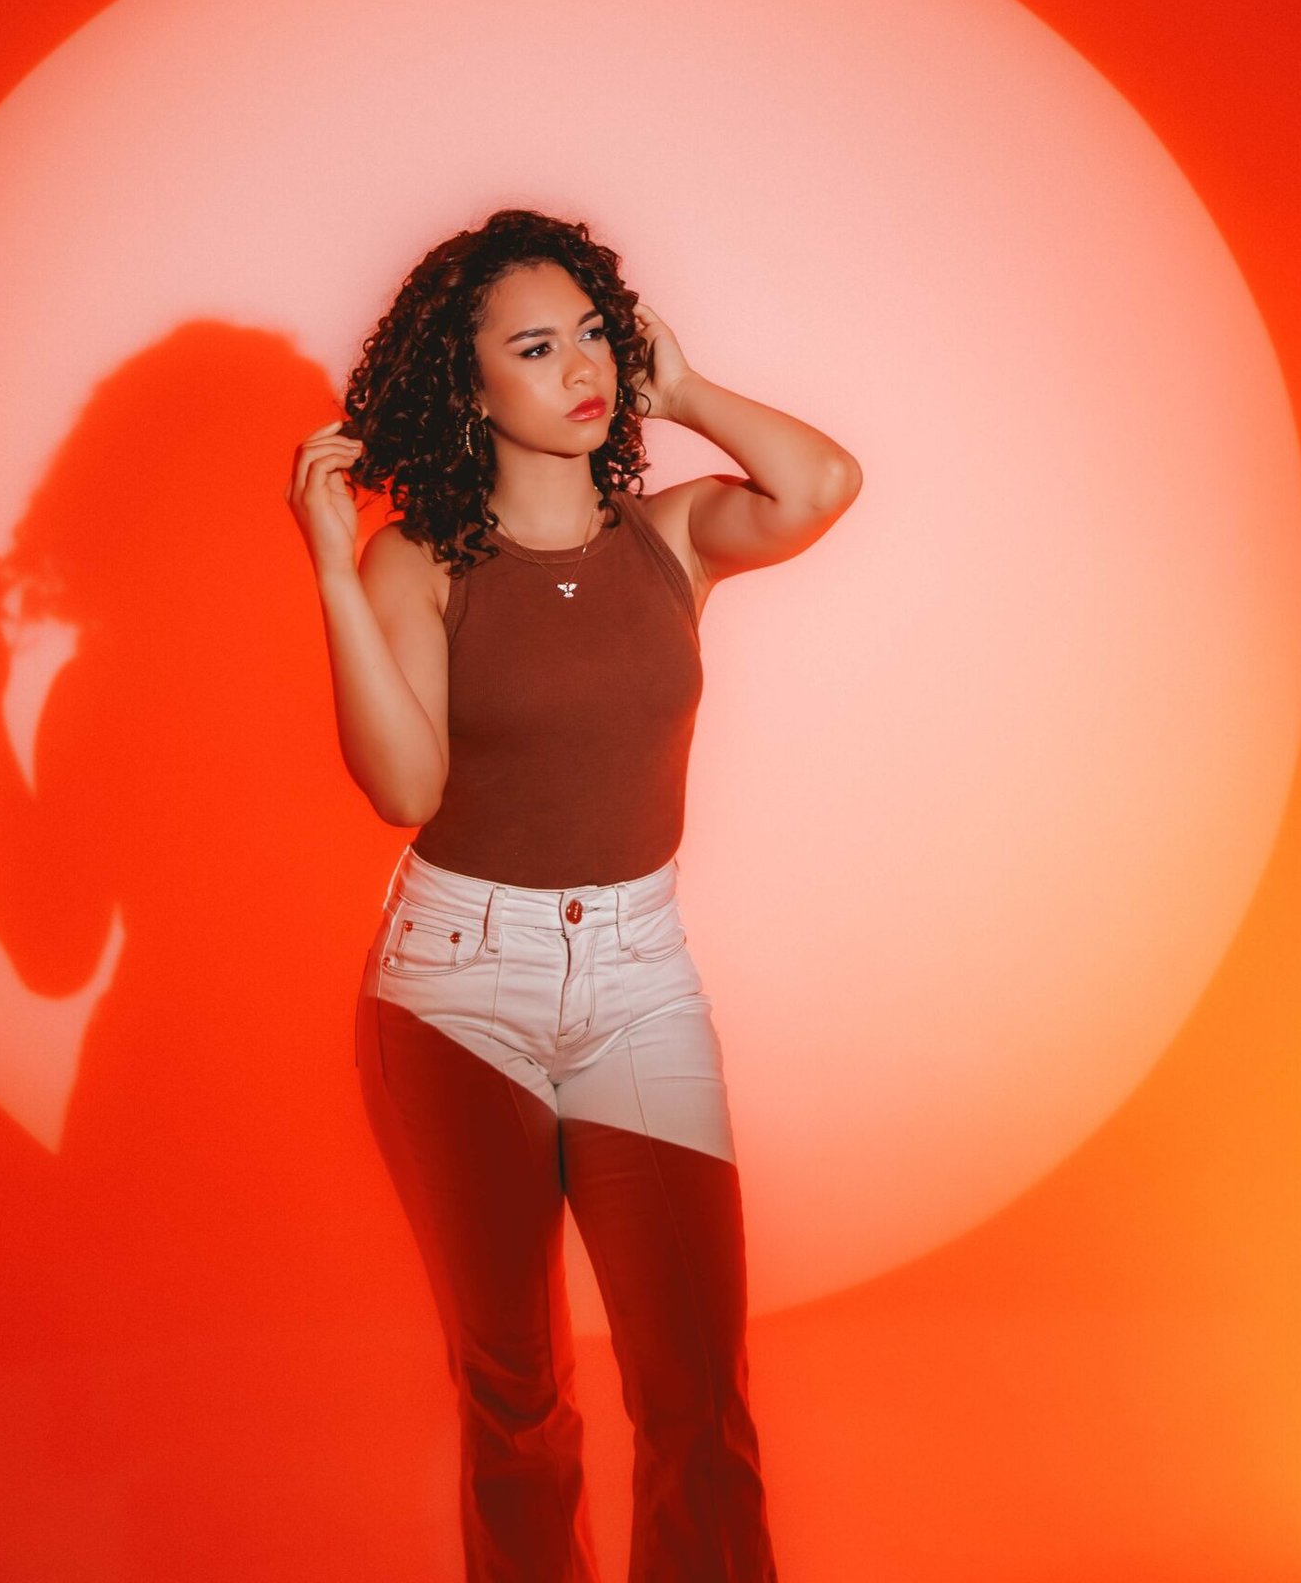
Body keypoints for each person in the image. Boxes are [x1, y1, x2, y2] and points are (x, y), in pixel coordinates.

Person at [288, 207, 862, 1583]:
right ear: (469, 383)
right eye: (535, 347)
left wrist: (690, 388)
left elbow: (822, 484)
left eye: (593, 332)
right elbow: (405, 789)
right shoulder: (418, 561)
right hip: (459, 985)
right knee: (516, 1398)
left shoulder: (673, 536)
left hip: (638, 979)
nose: (582, 367)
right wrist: (329, 565)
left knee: (698, 1394)